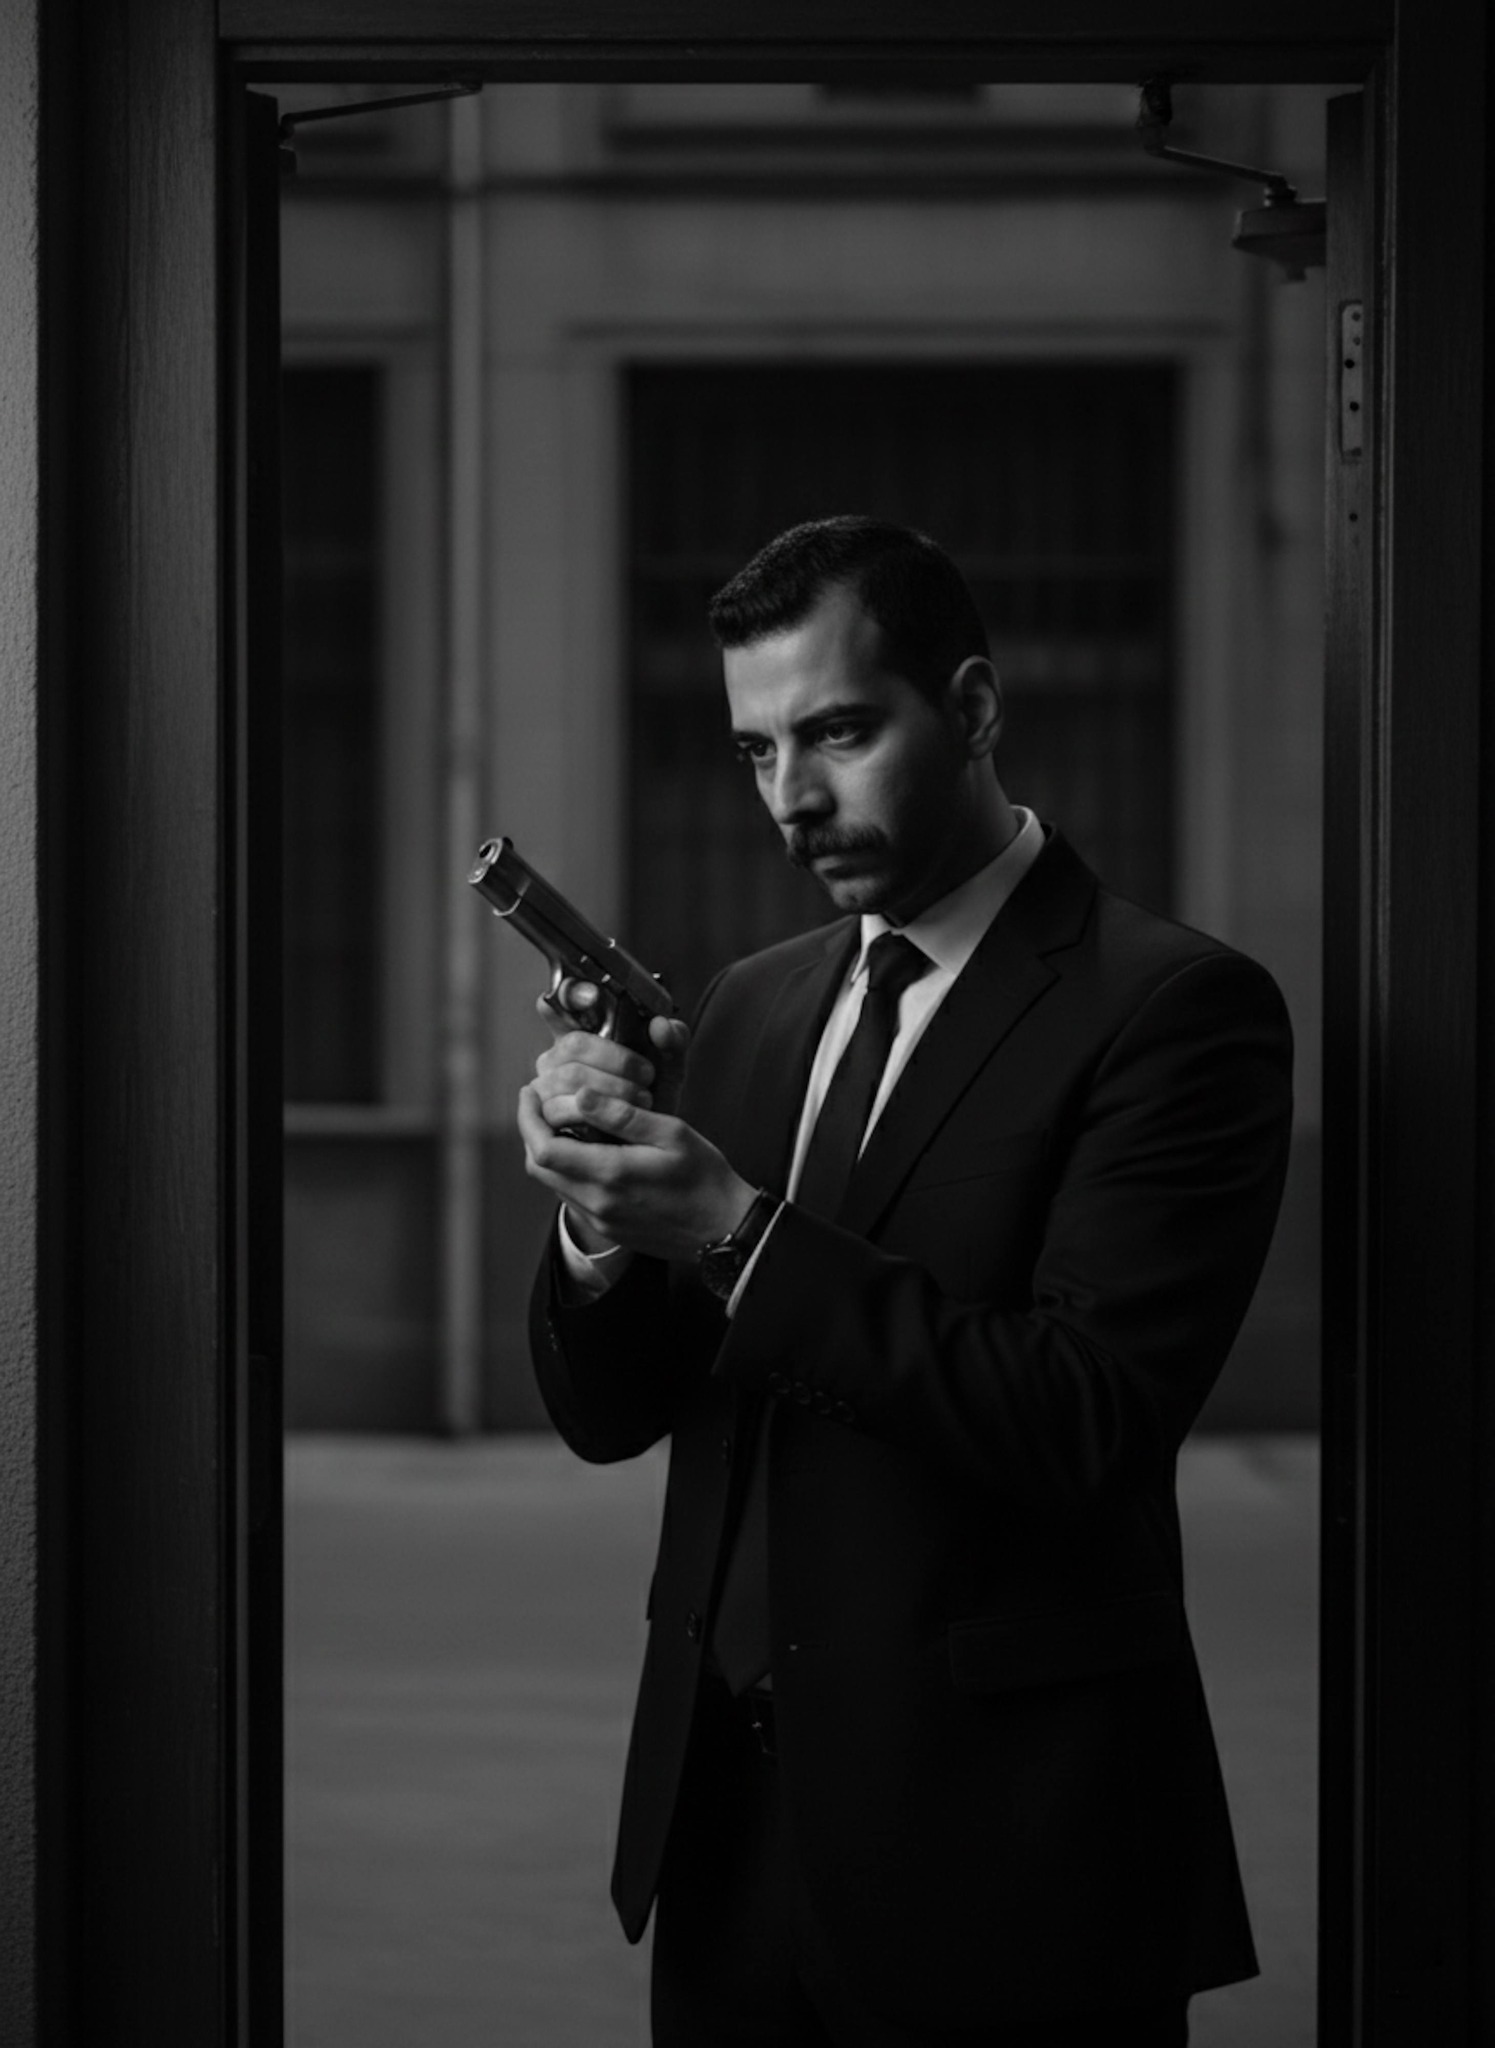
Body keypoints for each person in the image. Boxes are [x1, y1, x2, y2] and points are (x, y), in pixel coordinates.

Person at [517, 516, 1293, 2046]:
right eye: (755, 751)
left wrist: (735, 1230)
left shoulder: (1177, 1010)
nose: (791, 798)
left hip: (1008, 1857)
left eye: (839, 733)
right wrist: (598, 1224)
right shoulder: (750, 1006)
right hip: (728, 1844)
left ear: (977, 707)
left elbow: (1085, 1416)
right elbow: (614, 1418)